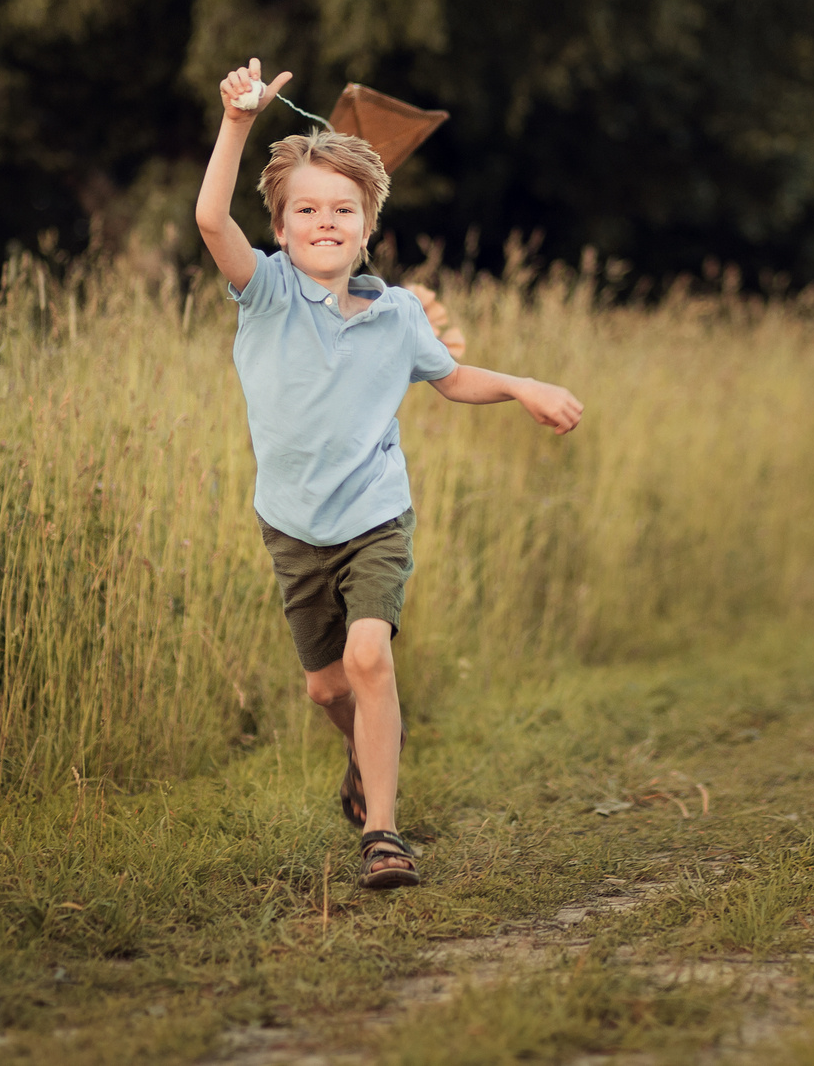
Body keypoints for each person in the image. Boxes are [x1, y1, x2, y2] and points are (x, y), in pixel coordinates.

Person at [194, 58, 585, 890]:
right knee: (326, 688)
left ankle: (383, 833)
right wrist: (237, 122)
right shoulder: (265, 292)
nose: (324, 221)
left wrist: (522, 386)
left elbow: (451, 376)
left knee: (369, 656)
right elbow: (208, 219)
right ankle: (372, 744)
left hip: (375, 515)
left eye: (343, 209)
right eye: (306, 210)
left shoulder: (399, 313)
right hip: (292, 523)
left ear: (368, 223)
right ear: (281, 226)